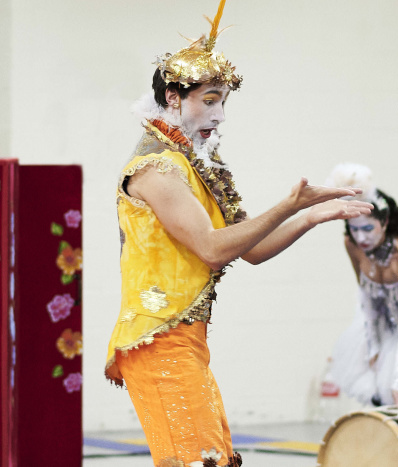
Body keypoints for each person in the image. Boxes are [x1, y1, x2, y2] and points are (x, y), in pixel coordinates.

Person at [103, 2, 372, 466]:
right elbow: (211, 250)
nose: (220, 115)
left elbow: (251, 250)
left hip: (184, 340)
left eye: (223, 101)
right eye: (209, 100)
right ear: (173, 97)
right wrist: (288, 204)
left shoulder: (190, 164)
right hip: (159, 340)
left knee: (217, 459)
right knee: (202, 462)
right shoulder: (157, 168)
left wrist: (308, 215)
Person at [326, 163, 398, 417]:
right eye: (354, 229)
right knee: (378, 389)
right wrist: (374, 350)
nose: (361, 238)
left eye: (368, 228)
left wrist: (397, 380)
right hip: (386, 318)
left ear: (385, 222)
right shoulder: (352, 245)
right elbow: (368, 302)